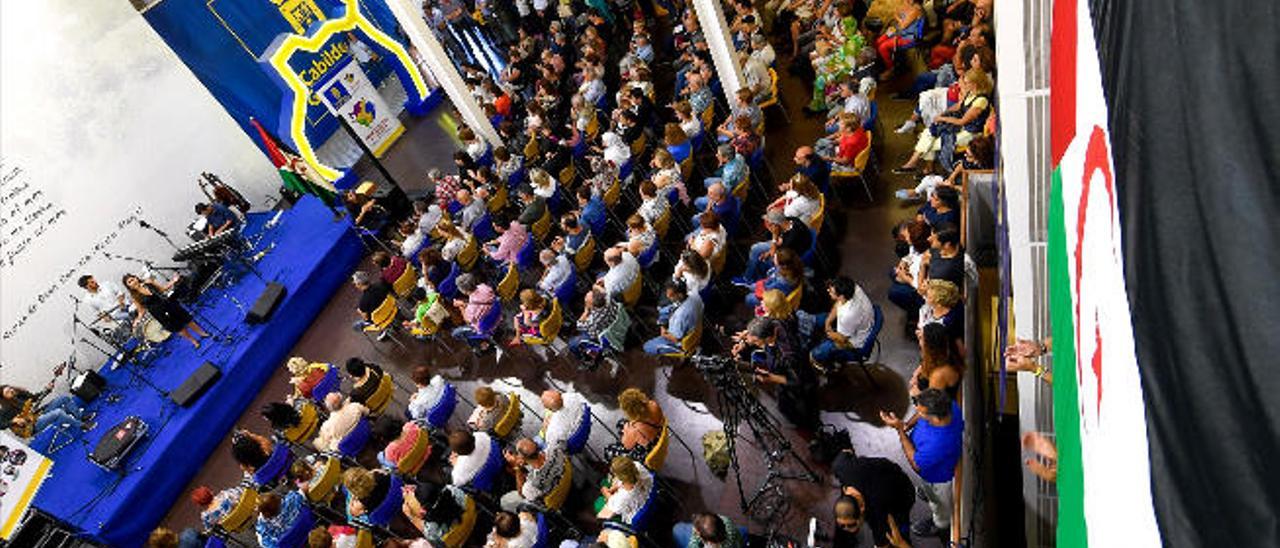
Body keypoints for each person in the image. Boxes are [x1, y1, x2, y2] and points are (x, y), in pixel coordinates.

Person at [880, 388, 964, 537]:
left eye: (922, 412)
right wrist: (907, 425)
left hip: (938, 479)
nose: (918, 412)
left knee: (940, 505)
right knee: (928, 490)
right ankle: (928, 494)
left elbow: (916, 464)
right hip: (930, 465)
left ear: (934, 417)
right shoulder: (948, 406)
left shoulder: (938, 444)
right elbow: (920, 412)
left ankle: (940, 525)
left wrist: (900, 430)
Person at [740, 318, 819, 430]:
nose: (753, 342)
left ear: (768, 338)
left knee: (789, 409)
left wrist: (772, 378)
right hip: (786, 367)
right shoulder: (775, 324)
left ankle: (807, 429)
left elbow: (798, 381)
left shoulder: (788, 356)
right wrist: (745, 343)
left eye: (756, 341)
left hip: (801, 384)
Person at [831, 448, 916, 547]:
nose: (847, 529)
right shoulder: (840, 467)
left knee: (898, 531)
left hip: (902, 491)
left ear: (862, 507)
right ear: (845, 491)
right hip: (885, 467)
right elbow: (847, 451)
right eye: (842, 526)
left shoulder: (878, 509)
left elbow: (882, 542)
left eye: (851, 525)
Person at [123, 273, 209, 348]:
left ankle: (201, 333)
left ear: (136, 278)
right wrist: (137, 321)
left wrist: (173, 281)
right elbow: (141, 311)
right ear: (128, 286)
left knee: (187, 319)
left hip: (168, 304)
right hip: (159, 313)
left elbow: (163, 289)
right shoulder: (135, 297)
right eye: (129, 282)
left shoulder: (148, 283)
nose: (132, 282)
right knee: (178, 328)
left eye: (132, 279)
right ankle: (193, 341)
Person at [810, 277, 875, 368]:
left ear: (841, 296)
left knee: (817, 354)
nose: (828, 290)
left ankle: (828, 366)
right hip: (863, 323)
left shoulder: (848, 315)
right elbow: (838, 304)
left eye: (831, 291)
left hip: (856, 342)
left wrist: (830, 334)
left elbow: (843, 340)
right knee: (825, 317)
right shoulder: (853, 287)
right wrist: (828, 321)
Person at [734, 211, 813, 286]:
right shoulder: (792, 220)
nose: (768, 226)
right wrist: (771, 248)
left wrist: (774, 235)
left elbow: (774, 253)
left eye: (770, 224)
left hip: (791, 255)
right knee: (756, 248)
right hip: (785, 244)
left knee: (764, 260)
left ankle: (757, 280)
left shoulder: (790, 240)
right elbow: (781, 241)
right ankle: (748, 277)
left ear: (776, 225)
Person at [0, 381, 95, 435]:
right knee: (58, 412)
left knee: (64, 398)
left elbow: (35, 398)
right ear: (3, 398)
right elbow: (1, 425)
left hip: (36, 415)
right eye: (7, 392)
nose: (11, 391)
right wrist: (13, 421)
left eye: (10, 388)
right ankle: (82, 426)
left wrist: (47, 389)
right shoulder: (5, 409)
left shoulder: (20, 395)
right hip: (29, 428)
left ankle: (80, 416)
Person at [500, 437, 568, 511]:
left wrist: (517, 468)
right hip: (567, 480)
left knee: (505, 501)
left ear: (522, 457)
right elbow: (563, 443)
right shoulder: (556, 448)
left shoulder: (531, 486)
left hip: (556, 502)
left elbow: (522, 494)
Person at [402, 481, 470, 546]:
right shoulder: (455, 492)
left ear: (423, 511)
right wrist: (421, 489)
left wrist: (411, 517)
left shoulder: (432, 532)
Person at [603, 388, 664, 461]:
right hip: (659, 433)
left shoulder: (635, 430)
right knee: (621, 423)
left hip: (649, 453)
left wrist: (627, 432)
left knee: (608, 449)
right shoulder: (653, 404)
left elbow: (626, 446)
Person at [643, 281, 703, 355]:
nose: (668, 296)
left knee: (647, 346)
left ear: (680, 295)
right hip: (694, 322)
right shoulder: (695, 295)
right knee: (663, 311)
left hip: (680, 342)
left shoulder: (680, 316)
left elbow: (675, 339)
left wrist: (663, 333)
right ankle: (658, 321)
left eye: (671, 295)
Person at [596, 456, 654, 523]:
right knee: (606, 483)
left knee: (598, 504)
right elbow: (629, 478)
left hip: (636, 514)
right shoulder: (637, 465)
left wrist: (606, 493)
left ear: (621, 477)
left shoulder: (622, 498)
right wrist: (617, 486)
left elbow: (607, 512)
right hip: (647, 496)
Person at [451, 273, 497, 342]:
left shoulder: (471, 309)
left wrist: (461, 307)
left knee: (455, 333)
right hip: (497, 313)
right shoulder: (484, 287)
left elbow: (467, 320)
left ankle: (483, 344)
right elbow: (478, 304)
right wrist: (465, 304)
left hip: (488, 326)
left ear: (464, 291)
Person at [672, 513, 745, 548]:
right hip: (738, 542)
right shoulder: (725, 520)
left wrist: (695, 536)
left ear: (705, 540)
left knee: (677, 529)